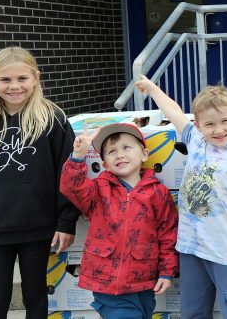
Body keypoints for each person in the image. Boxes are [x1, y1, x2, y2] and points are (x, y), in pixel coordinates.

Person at [0, 46, 80, 319]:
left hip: (38, 228)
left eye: (22, 78)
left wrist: (65, 221)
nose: (14, 86)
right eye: (5, 79)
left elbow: (69, 173)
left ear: (36, 78)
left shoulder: (53, 120)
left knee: (35, 298)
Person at [134, 76, 227, 318]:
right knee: (192, 310)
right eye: (210, 124)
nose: (219, 130)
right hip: (191, 245)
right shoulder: (196, 141)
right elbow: (174, 111)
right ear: (198, 125)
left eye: (225, 121)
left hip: (224, 249)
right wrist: (152, 89)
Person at [60, 122, 179, 318]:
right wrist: (78, 156)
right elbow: (71, 187)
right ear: (105, 164)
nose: (120, 154)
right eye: (112, 151)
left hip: (144, 280)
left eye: (126, 147)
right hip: (106, 282)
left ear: (144, 155)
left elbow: (168, 234)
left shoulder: (158, 193)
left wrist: (167, 271)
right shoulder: (98, 189)